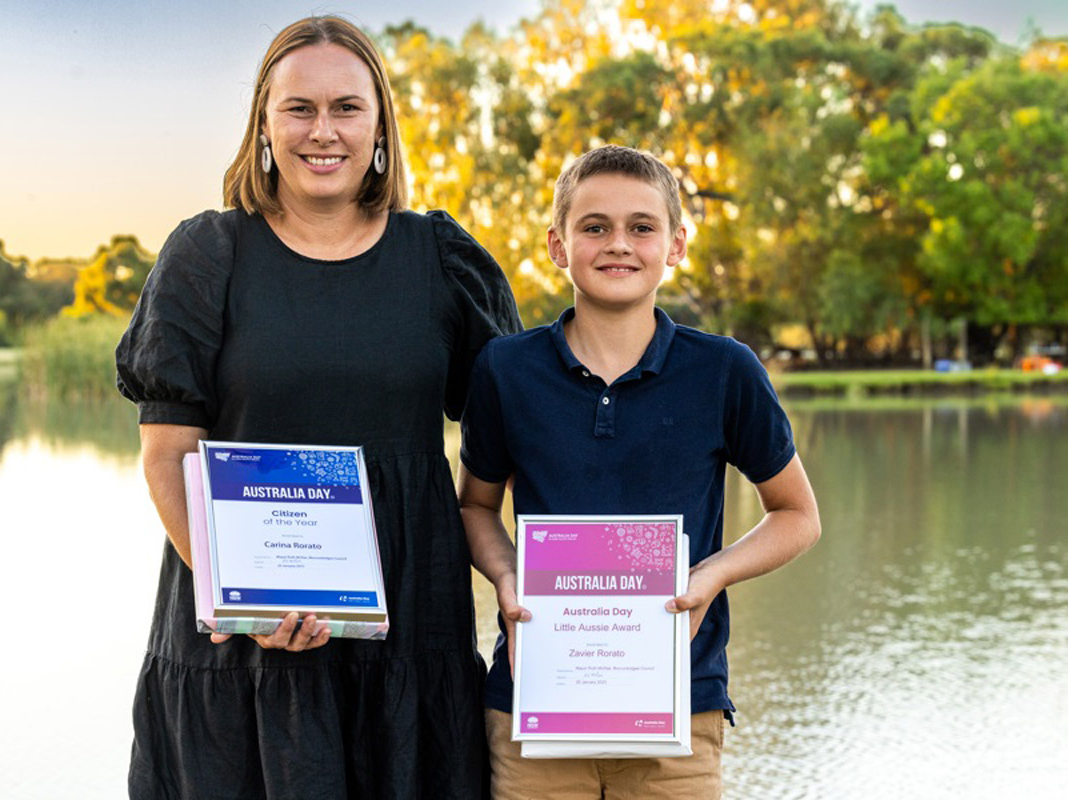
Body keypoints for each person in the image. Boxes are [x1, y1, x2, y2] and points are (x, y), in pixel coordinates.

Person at [115, 16, 521, 800]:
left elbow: (516, 441)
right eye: (299, 108)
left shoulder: (440, 260)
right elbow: (168, 455)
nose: (323, 131)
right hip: (242, 651)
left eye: (347, 107)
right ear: (264, 123)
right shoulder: (208, 255)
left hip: (409, 633)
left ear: (380, 126)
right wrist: (243, 601)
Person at [457, 145, 821, 799]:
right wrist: (509, 579)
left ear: (676, 244)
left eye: (641, 227)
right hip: (534, 706)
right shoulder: (505, 371)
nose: (617, 244)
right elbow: (475, 508)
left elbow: (797, 516)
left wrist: (709, 577)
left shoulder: (725, 371)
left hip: (678, 711)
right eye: (594, 226)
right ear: (558, 246)